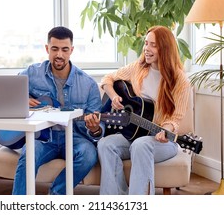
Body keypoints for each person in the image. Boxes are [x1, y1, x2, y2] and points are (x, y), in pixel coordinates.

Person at [85, 25, 190, 195]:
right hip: (135, 135)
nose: (147, 49)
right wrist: (113, 96)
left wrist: (166, 130)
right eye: (146, 43)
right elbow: (108, 78)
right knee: (105, 144)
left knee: (141, 145)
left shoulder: (180, 80)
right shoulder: (138, 68)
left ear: (165, 48)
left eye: (153, 45)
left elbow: (175, 119)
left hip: (162, 141)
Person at [12, 26, 104, 195]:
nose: (59, 55)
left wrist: (95, 128)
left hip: (74, 137)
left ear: (72, 50)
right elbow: (10, 89)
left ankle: (55, 196)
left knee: (89, 154)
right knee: (28, 155)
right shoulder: (33, 73)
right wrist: (21, 99)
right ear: (47, 49)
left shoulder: (88, 84)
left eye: (64, 49)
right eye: (54, 49)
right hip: (43, 137)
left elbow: (98, 128)